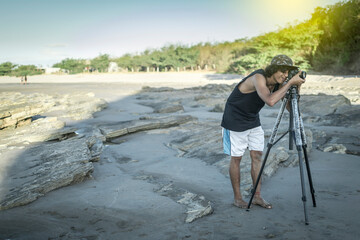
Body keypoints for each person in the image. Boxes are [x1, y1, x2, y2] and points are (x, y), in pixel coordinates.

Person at [221, 55, 306, 209]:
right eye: (283, 71)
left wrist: (296, 87)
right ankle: (238, 198)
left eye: (288, 73)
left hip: (252, 118)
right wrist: (289, 84)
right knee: (237, 158)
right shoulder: (258, 77)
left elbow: (289, 108)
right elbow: (270, 101)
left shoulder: (279, 83)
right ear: (273, 69)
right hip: (235, 119)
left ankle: (257, 196)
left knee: (257, 155)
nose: (285, 76)